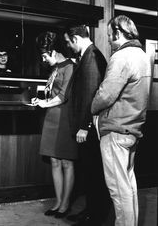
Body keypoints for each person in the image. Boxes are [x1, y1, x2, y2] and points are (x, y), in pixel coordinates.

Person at [91, 15, 152, 226]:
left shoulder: (121, 56)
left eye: (109, 35)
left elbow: (106, 95)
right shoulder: (143, 56)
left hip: (116, 131)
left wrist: (92, 107)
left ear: (118, 32)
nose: (108, 40)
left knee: (118, 190)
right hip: (133, 129)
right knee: (129, 186)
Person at [63, 25, 111, 226]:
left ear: (75, 38)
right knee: (89, 173)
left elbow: (91, 94)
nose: (67, 45)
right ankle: (90, 212)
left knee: (94, 174)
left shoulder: (91, 57)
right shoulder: (88, 55)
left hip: (88, 128)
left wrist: (84, 125)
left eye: (67, 41)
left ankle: (95, 217)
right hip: (88, 127)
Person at [31, 31, 77, 219]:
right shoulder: (55, 67)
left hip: (65, 118)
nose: (43, 59)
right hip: (51, 117)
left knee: (67, 162)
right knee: (54, 161)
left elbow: (64, 95)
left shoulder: (70, 67)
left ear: (55, 51)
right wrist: (40, 99)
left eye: (44, 55)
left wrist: (45, 103)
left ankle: (66, 204)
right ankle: (58, 202)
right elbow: (52, 91)